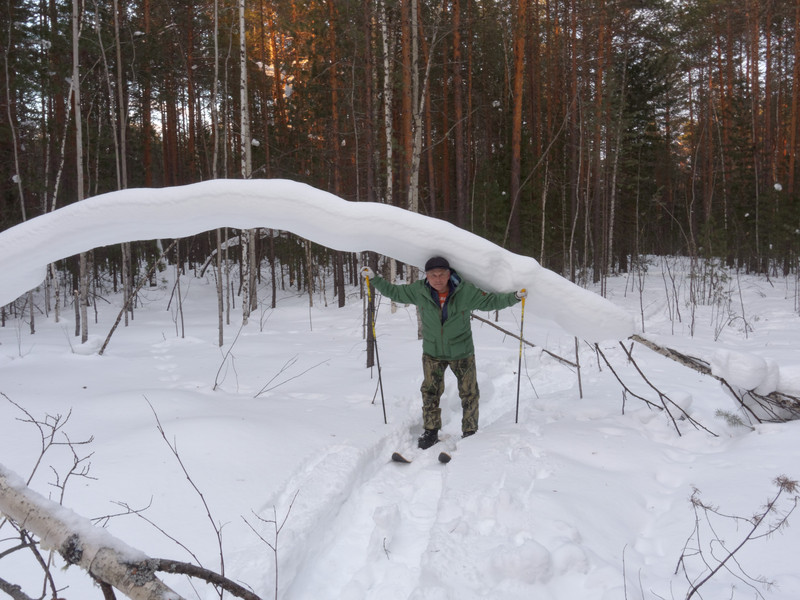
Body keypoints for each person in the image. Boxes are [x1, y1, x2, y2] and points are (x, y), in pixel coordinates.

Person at [361, 256, 527, 449]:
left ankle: (470, 432)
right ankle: (430, 432)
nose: (438, 279)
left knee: (469, 393)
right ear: (427, 276)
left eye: (441, 274)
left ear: (449, 275)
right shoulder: (419, 291)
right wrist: (373, 279)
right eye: (433, 275)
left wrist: (514, 297)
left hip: (462, 351)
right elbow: (394, 292)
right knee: (430, 393)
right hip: (433, 352)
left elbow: (490, 302)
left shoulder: (465, 292)